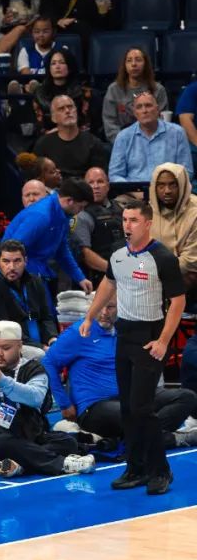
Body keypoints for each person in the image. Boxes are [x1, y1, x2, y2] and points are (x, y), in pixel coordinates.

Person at [80, 202, 186, 494]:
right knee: (128, 407)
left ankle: (161, 471)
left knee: (142, 406)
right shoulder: (117, 255)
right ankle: (136, 468)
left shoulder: (162, 257)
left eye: (134, 220)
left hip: (150, 335)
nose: (127, 225)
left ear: (148, 223)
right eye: (125, 219)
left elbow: (178, 302)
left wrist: (164, 340)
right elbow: (108, 284)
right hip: (123, 333)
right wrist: (90, 316)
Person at [45, 296, 197, 450]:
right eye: (100, 307)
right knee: (134, 414)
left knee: (186, 397)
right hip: (95, 406)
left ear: (121, 308)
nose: (104, 312)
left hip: (130, 396)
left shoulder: (125, 331)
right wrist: (64, 403)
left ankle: (142, 437)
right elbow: (48, 362)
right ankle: (170, 438)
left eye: (110, 307)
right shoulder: (79, 332)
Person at [0, 320, 94, 477]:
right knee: (5, 442)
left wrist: (2, 382)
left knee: (67, 442)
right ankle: (63, 464)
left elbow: (35, 397)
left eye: (6, 348)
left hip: (30, 437)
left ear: (20, 346)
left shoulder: (34, 369)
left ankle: (17, 465)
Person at [3, 178, 93, 289]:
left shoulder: (62, 214)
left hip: (36, 272)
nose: (81, 210)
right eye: (81, 207)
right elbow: (11, 251)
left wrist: (80, 278)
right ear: (69, 201)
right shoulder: (41, 216)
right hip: (23, 276)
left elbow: (61, 249)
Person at [0, 239, 58, 349]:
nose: (12, 267)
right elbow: (5, 329)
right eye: (6, 261)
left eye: (17, 261)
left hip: (41, 342)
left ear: (25, 261)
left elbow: (46, 317)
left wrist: (52, 339)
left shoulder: (35, 281)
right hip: (12, 344)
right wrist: (41, 348)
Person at [109, 92, 193, 187]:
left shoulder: (177, 133)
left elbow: (187, 171)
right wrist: (132, 191)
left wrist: (167, 189)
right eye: (139, 107)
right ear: (135, 113)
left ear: (157, 109)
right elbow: (115, 175)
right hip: (133, 195)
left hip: (169, 193)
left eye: (148, 105)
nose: (144, 110)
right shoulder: (123, 137)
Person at [33, 92, 109, 181]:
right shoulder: (43, 144)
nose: (67, 111)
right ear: (53, 118)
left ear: (76, 112)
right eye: (61, 109)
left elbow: (99, 177)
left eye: (70, 107)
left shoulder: (94, 143)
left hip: (85, 191)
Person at [103, 47, 169, 143]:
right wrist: (125, 143)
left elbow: (163, 122)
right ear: (125, 65)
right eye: (129, 61)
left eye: (138, 60)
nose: (133, 64)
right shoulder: (113, 89)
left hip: (152, 141)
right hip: (122, 142)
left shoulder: (158, 89)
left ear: (145, 64)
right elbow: (110, 124)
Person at [72, 166, 125, 284]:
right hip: (99, 277)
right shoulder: (81, 215)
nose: (96, 186)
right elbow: (85, 255)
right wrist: (115, 271)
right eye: (91, 182)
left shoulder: (121, 208)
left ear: (108, 185)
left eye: (100, 182)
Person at [150, 163, 197, 288]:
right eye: (161, 185)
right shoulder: (147, 211)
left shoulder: (195, 211)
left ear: (182, 185)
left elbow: (190, 261)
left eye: (173, 185)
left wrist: (156, 273)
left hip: (188, 275)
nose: (167, 191)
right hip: (155, 273)